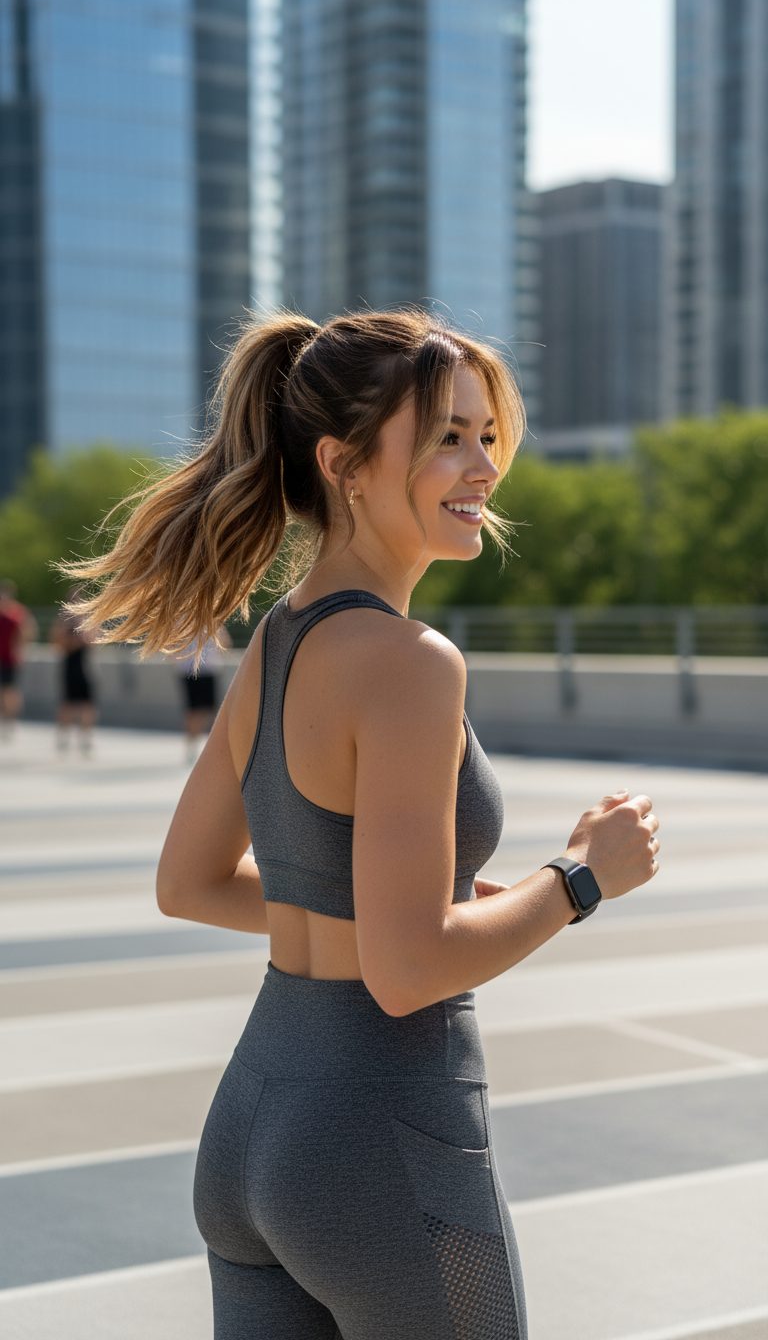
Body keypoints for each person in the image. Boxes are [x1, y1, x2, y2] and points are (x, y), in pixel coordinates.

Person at [64, 310, 660, 1339]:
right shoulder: (410, 663)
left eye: (485, 434)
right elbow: (408, 969)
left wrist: (380, 906)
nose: (483, 465)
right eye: (445, 437)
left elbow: (190, 881)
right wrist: (579, 876)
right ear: (342, 463)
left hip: (251, 1130)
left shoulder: (278, 644)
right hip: (380, 1142)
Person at [49, 590, 97, 754]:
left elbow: (93, 641)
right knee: (67, 703)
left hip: (84, 665)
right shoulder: (63, 622)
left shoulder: (87, 620)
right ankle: (64, 736)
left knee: (87, 704)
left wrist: (82, 636)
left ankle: (85, 738)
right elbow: (57, 643)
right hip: (69, 665)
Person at [175, 628, 233, 763]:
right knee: (196, 709)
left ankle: (196, 743)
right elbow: (225, 642)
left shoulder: (211, 619)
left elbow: (225, 641)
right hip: (194, 668)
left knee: (204, 709)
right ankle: (193, 744)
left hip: (201, 668)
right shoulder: (207, 619)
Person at [0, 579, 38, 738]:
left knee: (10, 691)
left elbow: (29, 631)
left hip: (9, 658)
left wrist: (21, 648)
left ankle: (10, 721)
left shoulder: (18, 612)